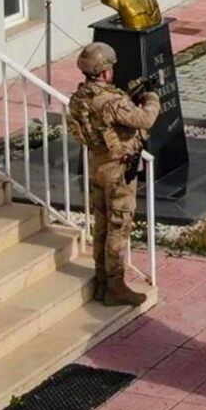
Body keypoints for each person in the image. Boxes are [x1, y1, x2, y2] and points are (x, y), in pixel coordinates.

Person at [67, 42, 160, 307]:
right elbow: (144, 120)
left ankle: (101, 281)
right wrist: (152, 98)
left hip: (97, 166)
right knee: (119, 227)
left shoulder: (80, 97)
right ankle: (116, 287)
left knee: (103, 225)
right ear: (104, 71)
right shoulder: (110, 101)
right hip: (118, 170)